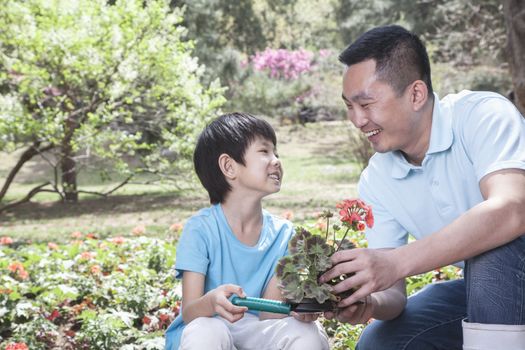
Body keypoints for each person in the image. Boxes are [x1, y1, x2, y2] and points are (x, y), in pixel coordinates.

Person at [320, 25, 525, 349]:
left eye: (366, 103)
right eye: (349, 106)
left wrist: (396, 262)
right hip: (484, 290)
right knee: (381, 343)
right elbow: (392, 294)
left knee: (491, 248)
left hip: (506, 270)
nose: (358, 120)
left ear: (415, 94)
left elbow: (511, 211)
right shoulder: (377, 178)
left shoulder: (482, 114)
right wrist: (369, 301)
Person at [165, 113, 329, 350]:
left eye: (276, 153)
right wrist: (211, 303)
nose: (276, 161)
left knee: (305, 332)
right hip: (210, 329)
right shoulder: (200, 229)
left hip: (256, 332)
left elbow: (269, 317)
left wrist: (300, 305)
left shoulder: (285, 234)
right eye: (264, 152)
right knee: (207, 329)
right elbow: (190, 312)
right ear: (229, 166)